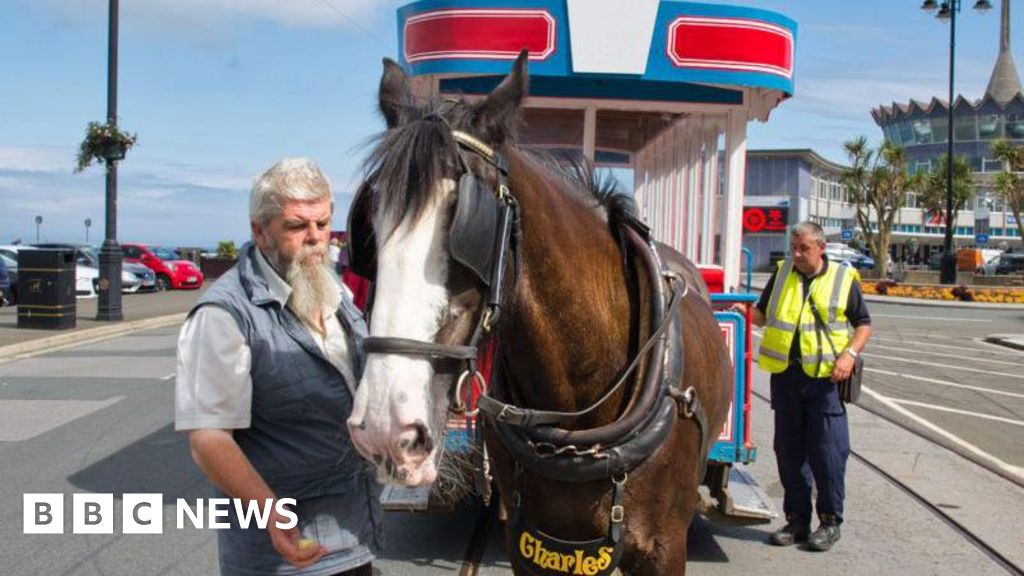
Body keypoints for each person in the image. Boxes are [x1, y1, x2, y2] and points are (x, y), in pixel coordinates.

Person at [175, 158, 382, 576]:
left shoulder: (334, 289)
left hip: (356, 534)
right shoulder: (224, 315)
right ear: (259, 230)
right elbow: (209, 439)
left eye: (323, 224)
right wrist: (272, 515)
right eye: (297, 226)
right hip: (284, 555)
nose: (316, 240)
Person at [748, 221, 871, 552]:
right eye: (794, 248)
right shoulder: (783, 273)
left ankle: (830, 523)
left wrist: (849, 355)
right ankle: (797, 522)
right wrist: (741, 314)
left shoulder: (843, 279)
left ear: (821, 248)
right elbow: (761, 313)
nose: (797, 254)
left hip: (826, 381)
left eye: (803, 249)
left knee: (827, 454)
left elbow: (863, 325)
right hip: (787, 377)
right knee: (789, 454)